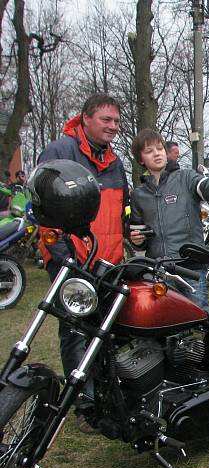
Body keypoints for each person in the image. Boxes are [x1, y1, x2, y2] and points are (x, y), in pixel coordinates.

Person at [36, 92, 129, 433]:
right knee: (75, 331)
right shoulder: (60, 152)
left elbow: (119, 213)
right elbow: (44, 205)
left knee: (105, 331)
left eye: (117, 121)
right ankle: (84, 404)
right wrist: (61, 256)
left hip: (107, 261)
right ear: (86, 118)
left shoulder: (115, 162)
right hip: (72, 260)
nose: (113, 127)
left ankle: (106, 396)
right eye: (106, 120)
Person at [129, 129, 209, 308]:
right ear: (140, 159)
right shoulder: (139, 195)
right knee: (166, 323)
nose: (156, 154)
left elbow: (206, 185)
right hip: (160, 271)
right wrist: (137, 241)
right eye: (149, 151)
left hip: (190, 267)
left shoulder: (186, 178)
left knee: (199, 319)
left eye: (159, 148)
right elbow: (138, 237)